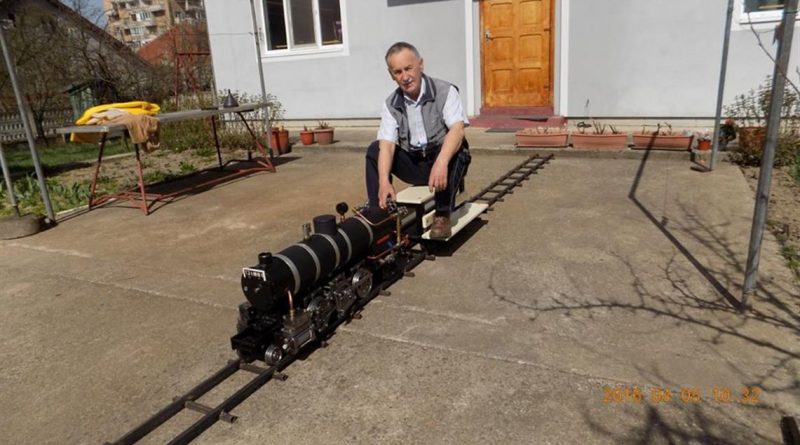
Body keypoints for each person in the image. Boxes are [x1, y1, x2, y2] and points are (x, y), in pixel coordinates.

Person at [365, 41, 471, 239]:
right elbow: (387, 146)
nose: (405, 77)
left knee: (458, 146)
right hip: (416, 164)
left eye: (408, 68)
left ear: (420, 64)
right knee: (374, 149)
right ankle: (377, 212)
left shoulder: (445, 91)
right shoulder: (391, 104)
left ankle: (442, 214)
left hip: (444, 162)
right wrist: (384, 181)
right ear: (391, 75)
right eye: (398, 72)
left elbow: (457, 130)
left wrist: (441, 163)